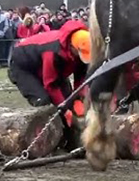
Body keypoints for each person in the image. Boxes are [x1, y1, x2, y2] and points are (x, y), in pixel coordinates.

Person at [8, 20, 91, 149]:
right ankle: (44, 142)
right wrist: (65, 111)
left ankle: (71, 143)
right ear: (72, 47)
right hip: (24, 68)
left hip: (52, 70)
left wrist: (79, 98)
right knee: (45, 101)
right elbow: (51, 85)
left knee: (68, 101)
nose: (82, 58)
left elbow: (81, 78)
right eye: (80, 54)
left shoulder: (82, 53)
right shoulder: (52, 52)